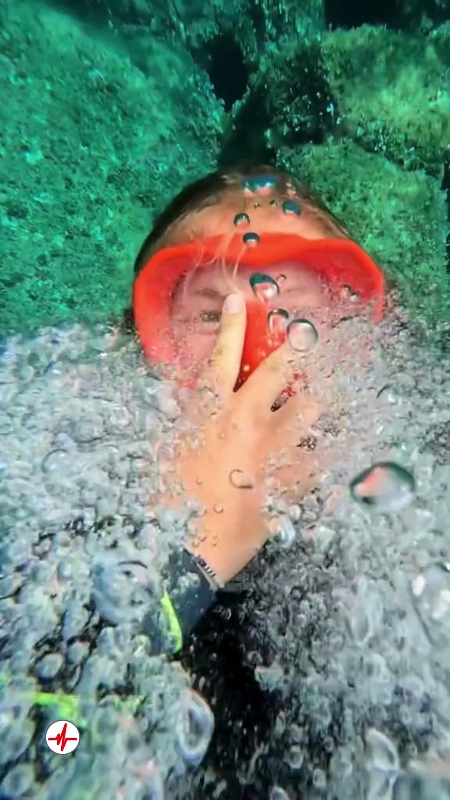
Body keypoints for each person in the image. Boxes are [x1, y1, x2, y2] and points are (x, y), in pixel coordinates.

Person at [131, 164, 386, 656]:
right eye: (211, 316)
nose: (255, 353)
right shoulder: (82, 489)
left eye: (298, 315)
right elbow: (59, 730)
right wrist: (198, 549)